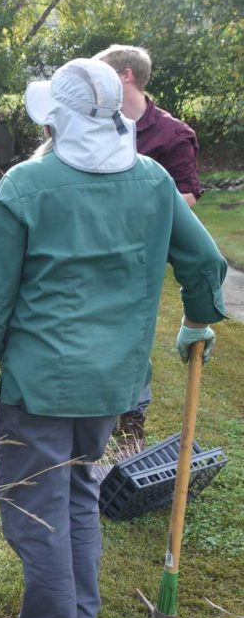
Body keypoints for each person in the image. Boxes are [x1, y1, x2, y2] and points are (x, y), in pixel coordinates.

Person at [0, 59, 227, 618]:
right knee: (78, 492)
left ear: (57, 121)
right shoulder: (152, 179)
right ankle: (74, 617)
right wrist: (198, 318)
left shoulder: (27, 185)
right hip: (111, 385)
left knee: (35, 510)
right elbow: (205, 262)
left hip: (42, 386)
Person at [95, 44, 204, 449]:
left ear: (125, 75)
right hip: (92, 241)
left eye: (102, 72)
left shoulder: (172, 133)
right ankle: (90, 419)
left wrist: (140, 200)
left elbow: (189, 194)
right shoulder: (98, 122)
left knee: (131, 333)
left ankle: (131, 422)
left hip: (140, 251)